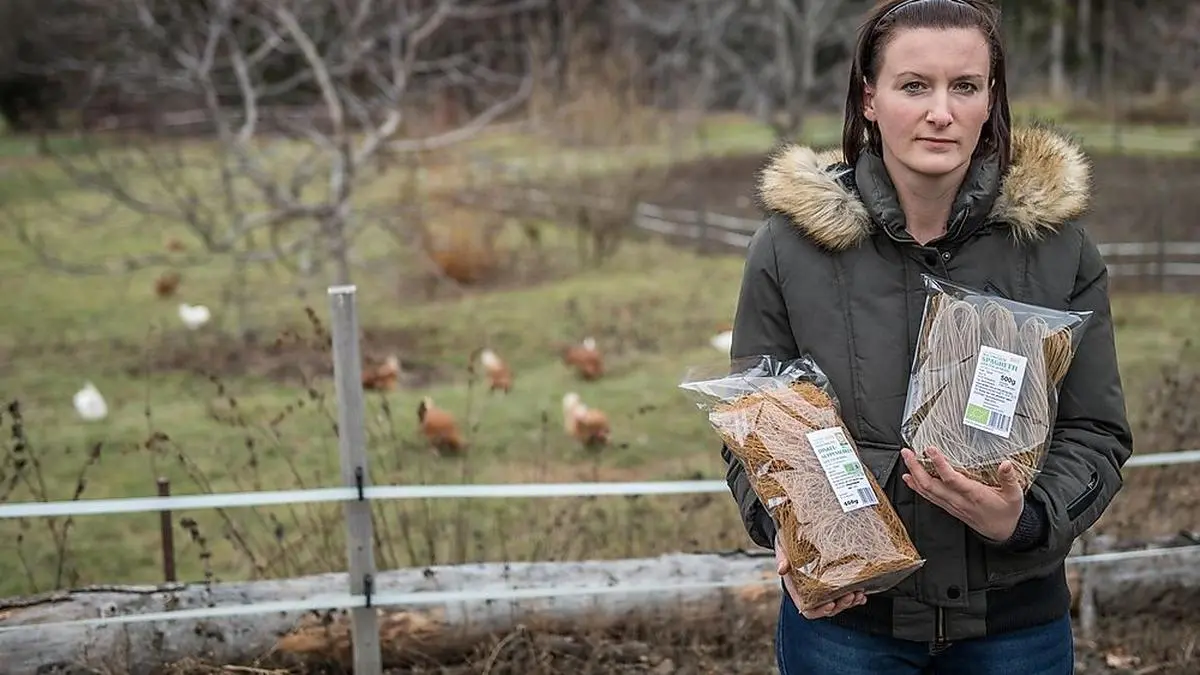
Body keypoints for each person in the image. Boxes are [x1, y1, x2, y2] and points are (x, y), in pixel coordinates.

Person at [722, 0, 1134, 673]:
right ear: (871, 98)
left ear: (989, 99)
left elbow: (1098, 432)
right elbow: (755, 427)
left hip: (1014, 626)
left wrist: (1025, 519)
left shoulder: (1058, 249)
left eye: (964, 86)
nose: (940, 111)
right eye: (914, 85)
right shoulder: (787, 248)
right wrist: (789, 536)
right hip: (849, 623)